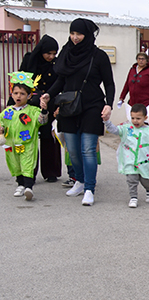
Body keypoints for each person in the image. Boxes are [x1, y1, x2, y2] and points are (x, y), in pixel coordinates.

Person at [41, 18, 116, 207]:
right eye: (72, 33)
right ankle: (80, 182)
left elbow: (109, 83)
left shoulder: (98, 56)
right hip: (69, 106)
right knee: (72, 150)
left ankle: (90, 188)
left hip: (92, 105)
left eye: (79, 34)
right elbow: (60, 81)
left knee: (88, 149)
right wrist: (49, 95)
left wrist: (109, 104)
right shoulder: (66, 53)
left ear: (88, 35)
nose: (75, 37)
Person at [11, 34, 62, 183]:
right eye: (48, 53)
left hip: (49, 105)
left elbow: (60, 83)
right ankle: (28, 172)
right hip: (29, 105)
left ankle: (51, 172)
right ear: (41, 51)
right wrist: (13, 103)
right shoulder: (29, 59)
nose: (51, 57)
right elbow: (19, 81)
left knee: (49, 138)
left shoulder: (57, 63)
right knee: (28, 139)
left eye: (54, 53)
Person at [2, 74, 49, 200]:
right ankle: (20, 185)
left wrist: (44, 110)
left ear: (28, 96)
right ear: (12, 94)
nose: (18, 96)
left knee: (27, 164)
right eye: (16, 93)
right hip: (12, 145)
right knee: (15, 164)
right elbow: (1, 124)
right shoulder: (7, 112)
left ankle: (29, 187)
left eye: (22, 94)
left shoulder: (33, 111)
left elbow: (42, 121)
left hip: (27, 144)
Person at [103, 103, 149, 208]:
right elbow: (115, 130)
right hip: (130, 160)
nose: (135, 121)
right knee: (131, 179)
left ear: (145, 118)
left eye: (138, 118)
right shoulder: (126, 128)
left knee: (145, 179)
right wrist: (107, 122)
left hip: (143, 161)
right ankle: (133, 197)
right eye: (133, 118)